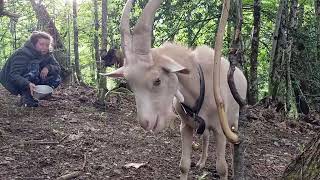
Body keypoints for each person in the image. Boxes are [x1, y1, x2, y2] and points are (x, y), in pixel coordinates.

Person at [0, 31, 61, 107]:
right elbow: (13, 75)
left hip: (30, 78)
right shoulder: (22, 53)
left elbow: (58, 67)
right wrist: (27, 83)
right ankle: (27, 96)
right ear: (34, 44)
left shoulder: (47, 53)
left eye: (47, 45)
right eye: (41, 44)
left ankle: (41, 94)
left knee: (56, 77)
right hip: (11, 81)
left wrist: (48, 68)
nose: (45, 47)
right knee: (34, 66)